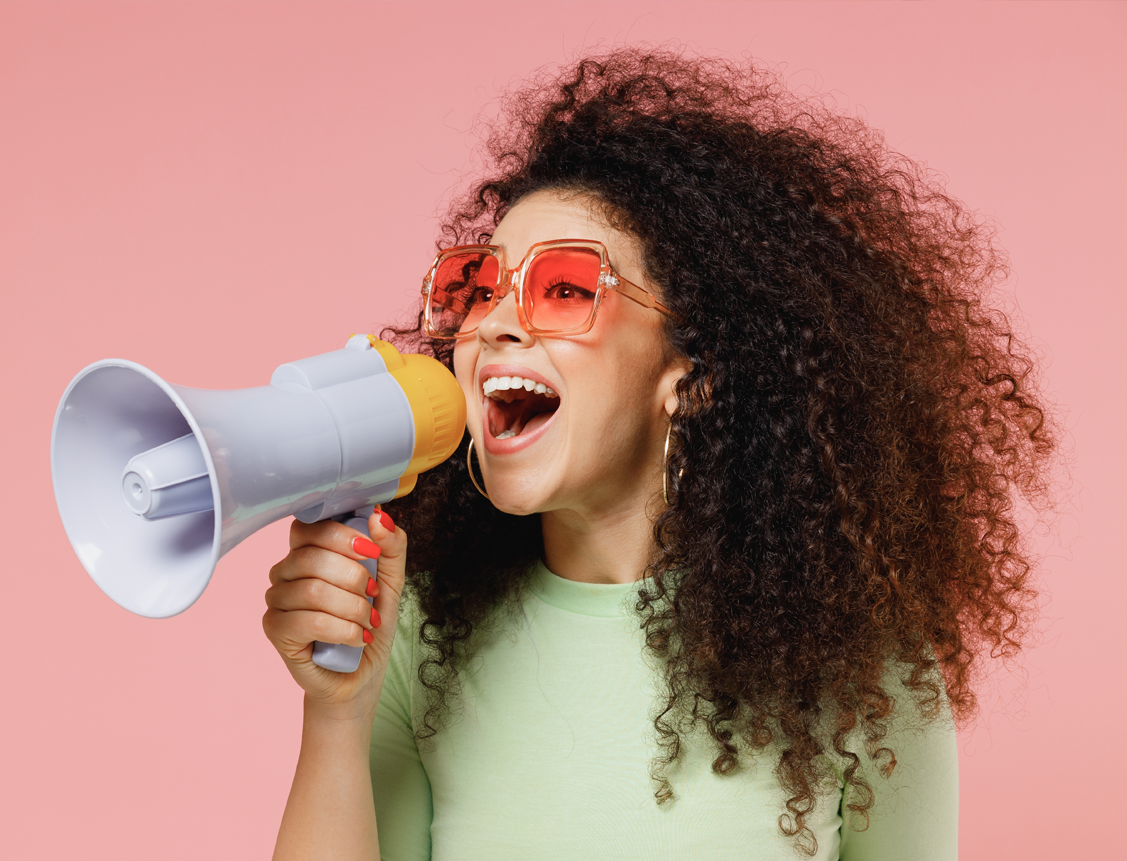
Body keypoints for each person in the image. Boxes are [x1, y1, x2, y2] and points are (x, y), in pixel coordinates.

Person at [262, 48, 1053, 861]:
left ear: (693, 373)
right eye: (481, 286)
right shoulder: (417, 636)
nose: (494, 323)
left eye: (565, 288)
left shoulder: (863, 663)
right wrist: (335, 714)